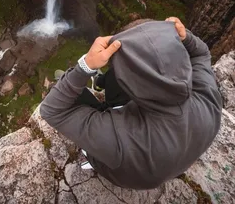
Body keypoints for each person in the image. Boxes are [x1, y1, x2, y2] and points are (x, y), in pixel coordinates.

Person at [40, 17, 222, 190]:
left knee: (68, 90)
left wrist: (86, 66)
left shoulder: (121, 138)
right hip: (170, 159)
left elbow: (52, 110)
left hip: (124, 173)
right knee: (113, 78)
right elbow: (201, 53)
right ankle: (102, 83)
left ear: (135, 87)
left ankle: (93, 158)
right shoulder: (208, 98)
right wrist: (185, 37)